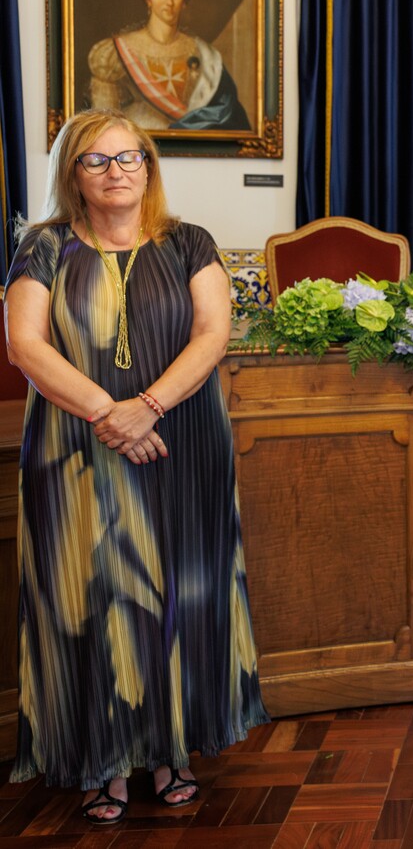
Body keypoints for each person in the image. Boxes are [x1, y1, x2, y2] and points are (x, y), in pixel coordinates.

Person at [3, 108, 268, 824]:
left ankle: (171, 749)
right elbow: (25, 345)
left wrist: (147, 406)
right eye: (96, 159)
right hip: (77, 451)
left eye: (129, 157)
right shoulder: (44, 246)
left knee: (180, 592)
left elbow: (213, 334)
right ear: (72, 173)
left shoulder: (189, 242)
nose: (116, 171)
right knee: (91, 597)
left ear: (149, 167)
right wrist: (108, 414)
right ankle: (103, 759)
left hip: (182, 442)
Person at [87, 0, 251, 132]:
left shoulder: (204, 54)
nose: (169, 2)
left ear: (184, 0)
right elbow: (104, 123)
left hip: (191, 145)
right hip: (137, 142)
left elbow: (225, 115)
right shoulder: (115, 52)